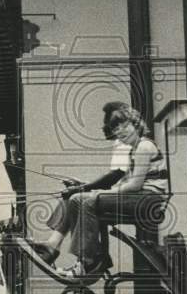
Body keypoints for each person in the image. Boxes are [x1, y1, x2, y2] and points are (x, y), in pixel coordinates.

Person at [36, 105, 168, 277]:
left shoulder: (144, 147)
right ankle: (68, 251)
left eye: (124, 125)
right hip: (142, 197)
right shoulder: (135, 150)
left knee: (84, 199)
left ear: (136, 123)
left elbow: (134, 185)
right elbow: (126, 185)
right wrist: (89, 188)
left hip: (148, 199)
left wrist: (97, 193)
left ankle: (88, 261)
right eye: (116, 128)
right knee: (77, 198)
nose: (120, 131)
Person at [36, 101, 132, 264]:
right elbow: (112, 181)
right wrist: (80, 184)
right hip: (120, 193)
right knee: (74, 194)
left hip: (127, 197)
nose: (103, 127)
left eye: (106, 123)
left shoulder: (124, 143)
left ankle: (87, 258)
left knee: (78, 198)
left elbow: (115, 176)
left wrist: (81, 187)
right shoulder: (122, 143)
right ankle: (53, 245)